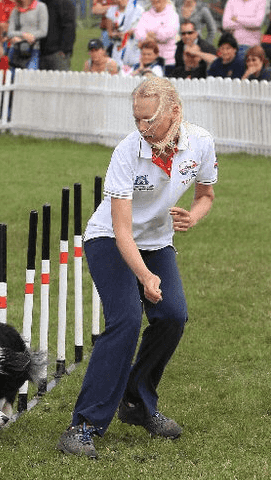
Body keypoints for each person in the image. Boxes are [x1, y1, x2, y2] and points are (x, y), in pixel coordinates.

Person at [56, 76, 218, 459]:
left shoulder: (201, 144)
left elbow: (206, 195)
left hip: (157, 242)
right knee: (126, 320)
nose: (142, 128)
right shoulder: (127, 152)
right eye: (137, 119)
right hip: (109, 240)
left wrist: (193, 217)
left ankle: (136, 402)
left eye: (149, 120)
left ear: (175, 112)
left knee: (173, 317)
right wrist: (144, 277)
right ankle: (82, 426)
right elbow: (122, 230)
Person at [134, 0, 179, 76]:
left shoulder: (172, 15)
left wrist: (148, 35)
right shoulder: (146, 15)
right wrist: (156, 35)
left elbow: (167, 34)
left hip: (167, 61)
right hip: (147, 60)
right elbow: (138, 34)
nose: (156, 1)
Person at [7, 0, 49, 70]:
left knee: (30, 76)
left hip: (33, 49)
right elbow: (10, 32)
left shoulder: (41, 7)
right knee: (13, 78)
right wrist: (23, 35)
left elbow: (43, 31)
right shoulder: (16, 9)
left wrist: (25, 37)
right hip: (16, 49)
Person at [105, 0, 144, 69]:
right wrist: (117, 35)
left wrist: (128, 34)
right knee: (117, 69)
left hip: (134, 46)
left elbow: (141, 28)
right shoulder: (111, 10)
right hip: (119, 45)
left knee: (134, 69)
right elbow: (110, 33)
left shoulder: (139, 10)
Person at [39, 0, 76, 71]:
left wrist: (65, 50)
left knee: (60, 80)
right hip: (41, 52)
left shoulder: (64, 3)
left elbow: (69, 27)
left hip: (58, 53)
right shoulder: (40, 3)